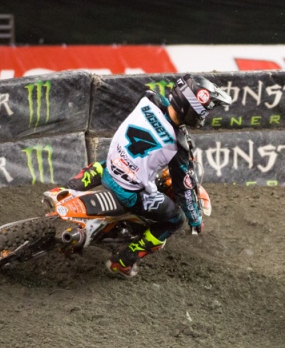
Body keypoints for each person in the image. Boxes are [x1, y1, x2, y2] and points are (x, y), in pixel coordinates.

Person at [64, 75, 233, 278]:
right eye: (204, 111)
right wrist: (195, 220)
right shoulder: (178, 146)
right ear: (191, 110)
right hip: (130, 194)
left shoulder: (149, 98)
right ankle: (122, 262)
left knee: (103, 165)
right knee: (174, 220)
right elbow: (184, 190)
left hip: (110, 169)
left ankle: (66, 190)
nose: (204, 116)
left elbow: (160, 115)